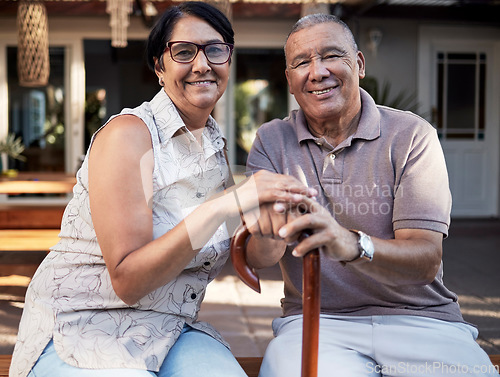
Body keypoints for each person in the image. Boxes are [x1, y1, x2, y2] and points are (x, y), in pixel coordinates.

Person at [9, 3, 314, 377]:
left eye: (215, 50)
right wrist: (225, 203)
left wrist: (274, 224)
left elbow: (252, 253)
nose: (202, 64)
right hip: (84, 324)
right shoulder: (130, 134)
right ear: (159, 67)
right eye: (184, 51)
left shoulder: (213, 148)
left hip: (169, 328)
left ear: (228, 61)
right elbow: (128, 281)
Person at [244, 13, 498, 377]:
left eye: (331, 56)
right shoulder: (271, 141)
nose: (317, 72)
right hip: (317, 321)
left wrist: (350, 244)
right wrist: (269, 230)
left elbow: (426, 259)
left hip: (422, 321)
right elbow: (260, 257)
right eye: (302, 62)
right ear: (290, 80)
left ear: (359, 64)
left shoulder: (411, 135)